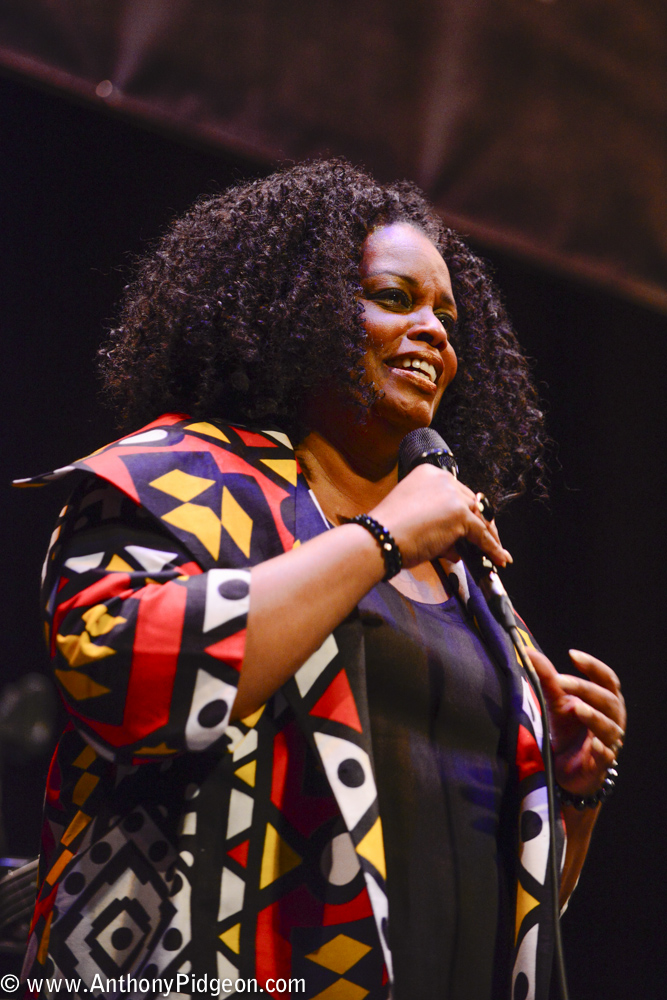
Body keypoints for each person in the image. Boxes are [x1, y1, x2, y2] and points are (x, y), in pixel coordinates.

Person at [19, 160, 625, 1000]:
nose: (435, 332)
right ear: (291, 312)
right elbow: (130, 687)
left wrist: (577, 790)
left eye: (446, 315)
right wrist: (381, 537)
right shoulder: (174, 480)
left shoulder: (467, 577)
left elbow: (518, 908)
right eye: (395, 298)